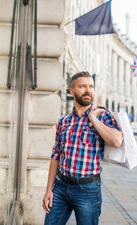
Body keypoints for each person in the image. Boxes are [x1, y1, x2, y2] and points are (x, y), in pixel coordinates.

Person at [42, 71, 123, 225]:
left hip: (87, 189)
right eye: (83, 86)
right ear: (72, 92)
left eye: (91, 86)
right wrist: (48, 190)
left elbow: (117, 141)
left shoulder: (102, 116)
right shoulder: (64, 121)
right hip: (61, 187)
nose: (88, 90)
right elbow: (56, 156)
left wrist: (93, 118)